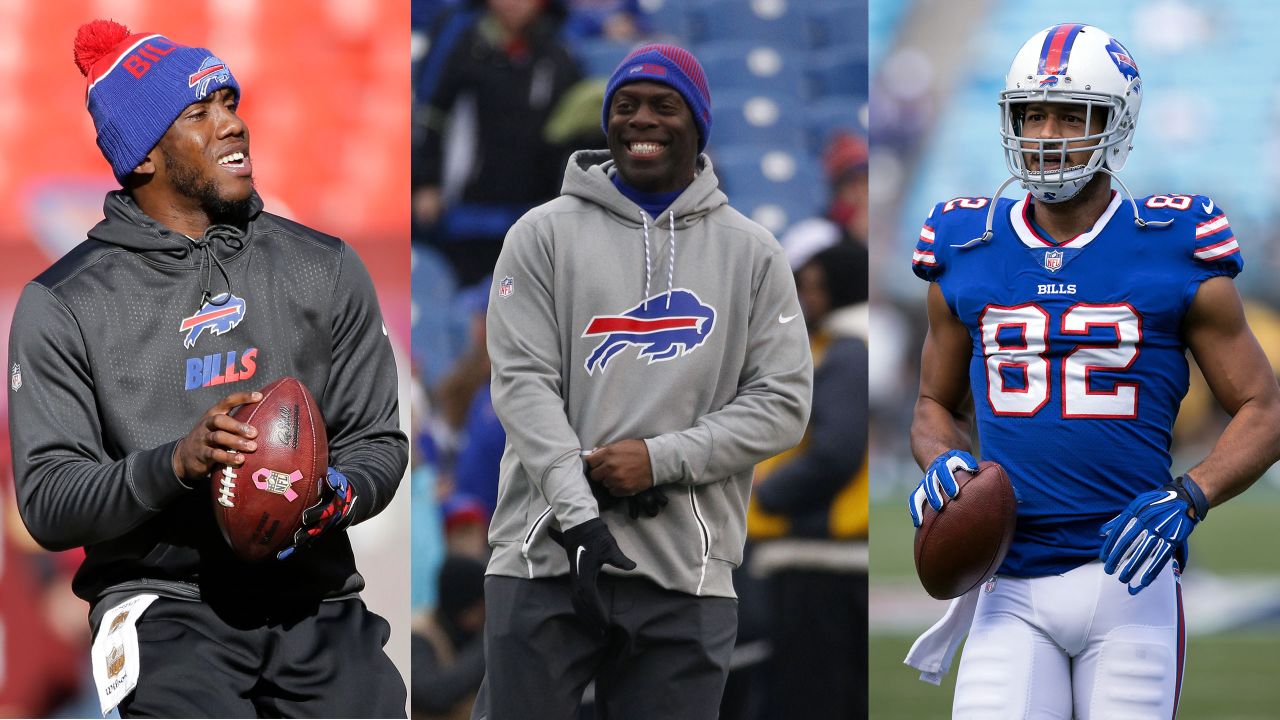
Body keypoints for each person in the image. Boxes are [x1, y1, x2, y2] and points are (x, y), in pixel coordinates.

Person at [8, 21, 408, 718]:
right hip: (164, 609)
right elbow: (47, 502)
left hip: (316, 602)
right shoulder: (63, 304)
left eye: (231, 103)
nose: (233, 125)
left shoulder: (325, 267)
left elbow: (379, 443)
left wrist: (328, 492)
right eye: (200, 113)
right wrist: (179, 463)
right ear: (142, 158)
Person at [904, 24, 1280, 718]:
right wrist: (941, 463)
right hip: (1006, 581)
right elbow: (933, 406)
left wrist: (1190, 495)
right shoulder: (967, 243)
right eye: (1032, 113)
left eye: (1073, 114)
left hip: (1129, 581)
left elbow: (1265, 406)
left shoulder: (1173, 244)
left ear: (1118, 124)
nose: (1047, 134)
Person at [474, 44, 813, 719]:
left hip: (686, 570)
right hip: (544, 557)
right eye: (625, 106)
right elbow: (522, 387)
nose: (641, 120)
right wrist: (579, 517)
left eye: (664, 105)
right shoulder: (540, 235)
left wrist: (658, 460)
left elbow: (783, 405)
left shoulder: (752, 252)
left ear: (699, 123)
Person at [748, 242, 868, 719]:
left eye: (816, 287)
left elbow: (836, 450)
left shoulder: (847, 350)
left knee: (810, 697)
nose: (807, 298)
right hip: (821, 554)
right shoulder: (839, 347)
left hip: (824, 554)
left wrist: (767, 493)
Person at [412, 0, 584, 286]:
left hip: (531, 215)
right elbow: (431, 112)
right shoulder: (458, 37)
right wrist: (426, 181)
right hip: (466, 216)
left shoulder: (561, 50)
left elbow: (569, 134)